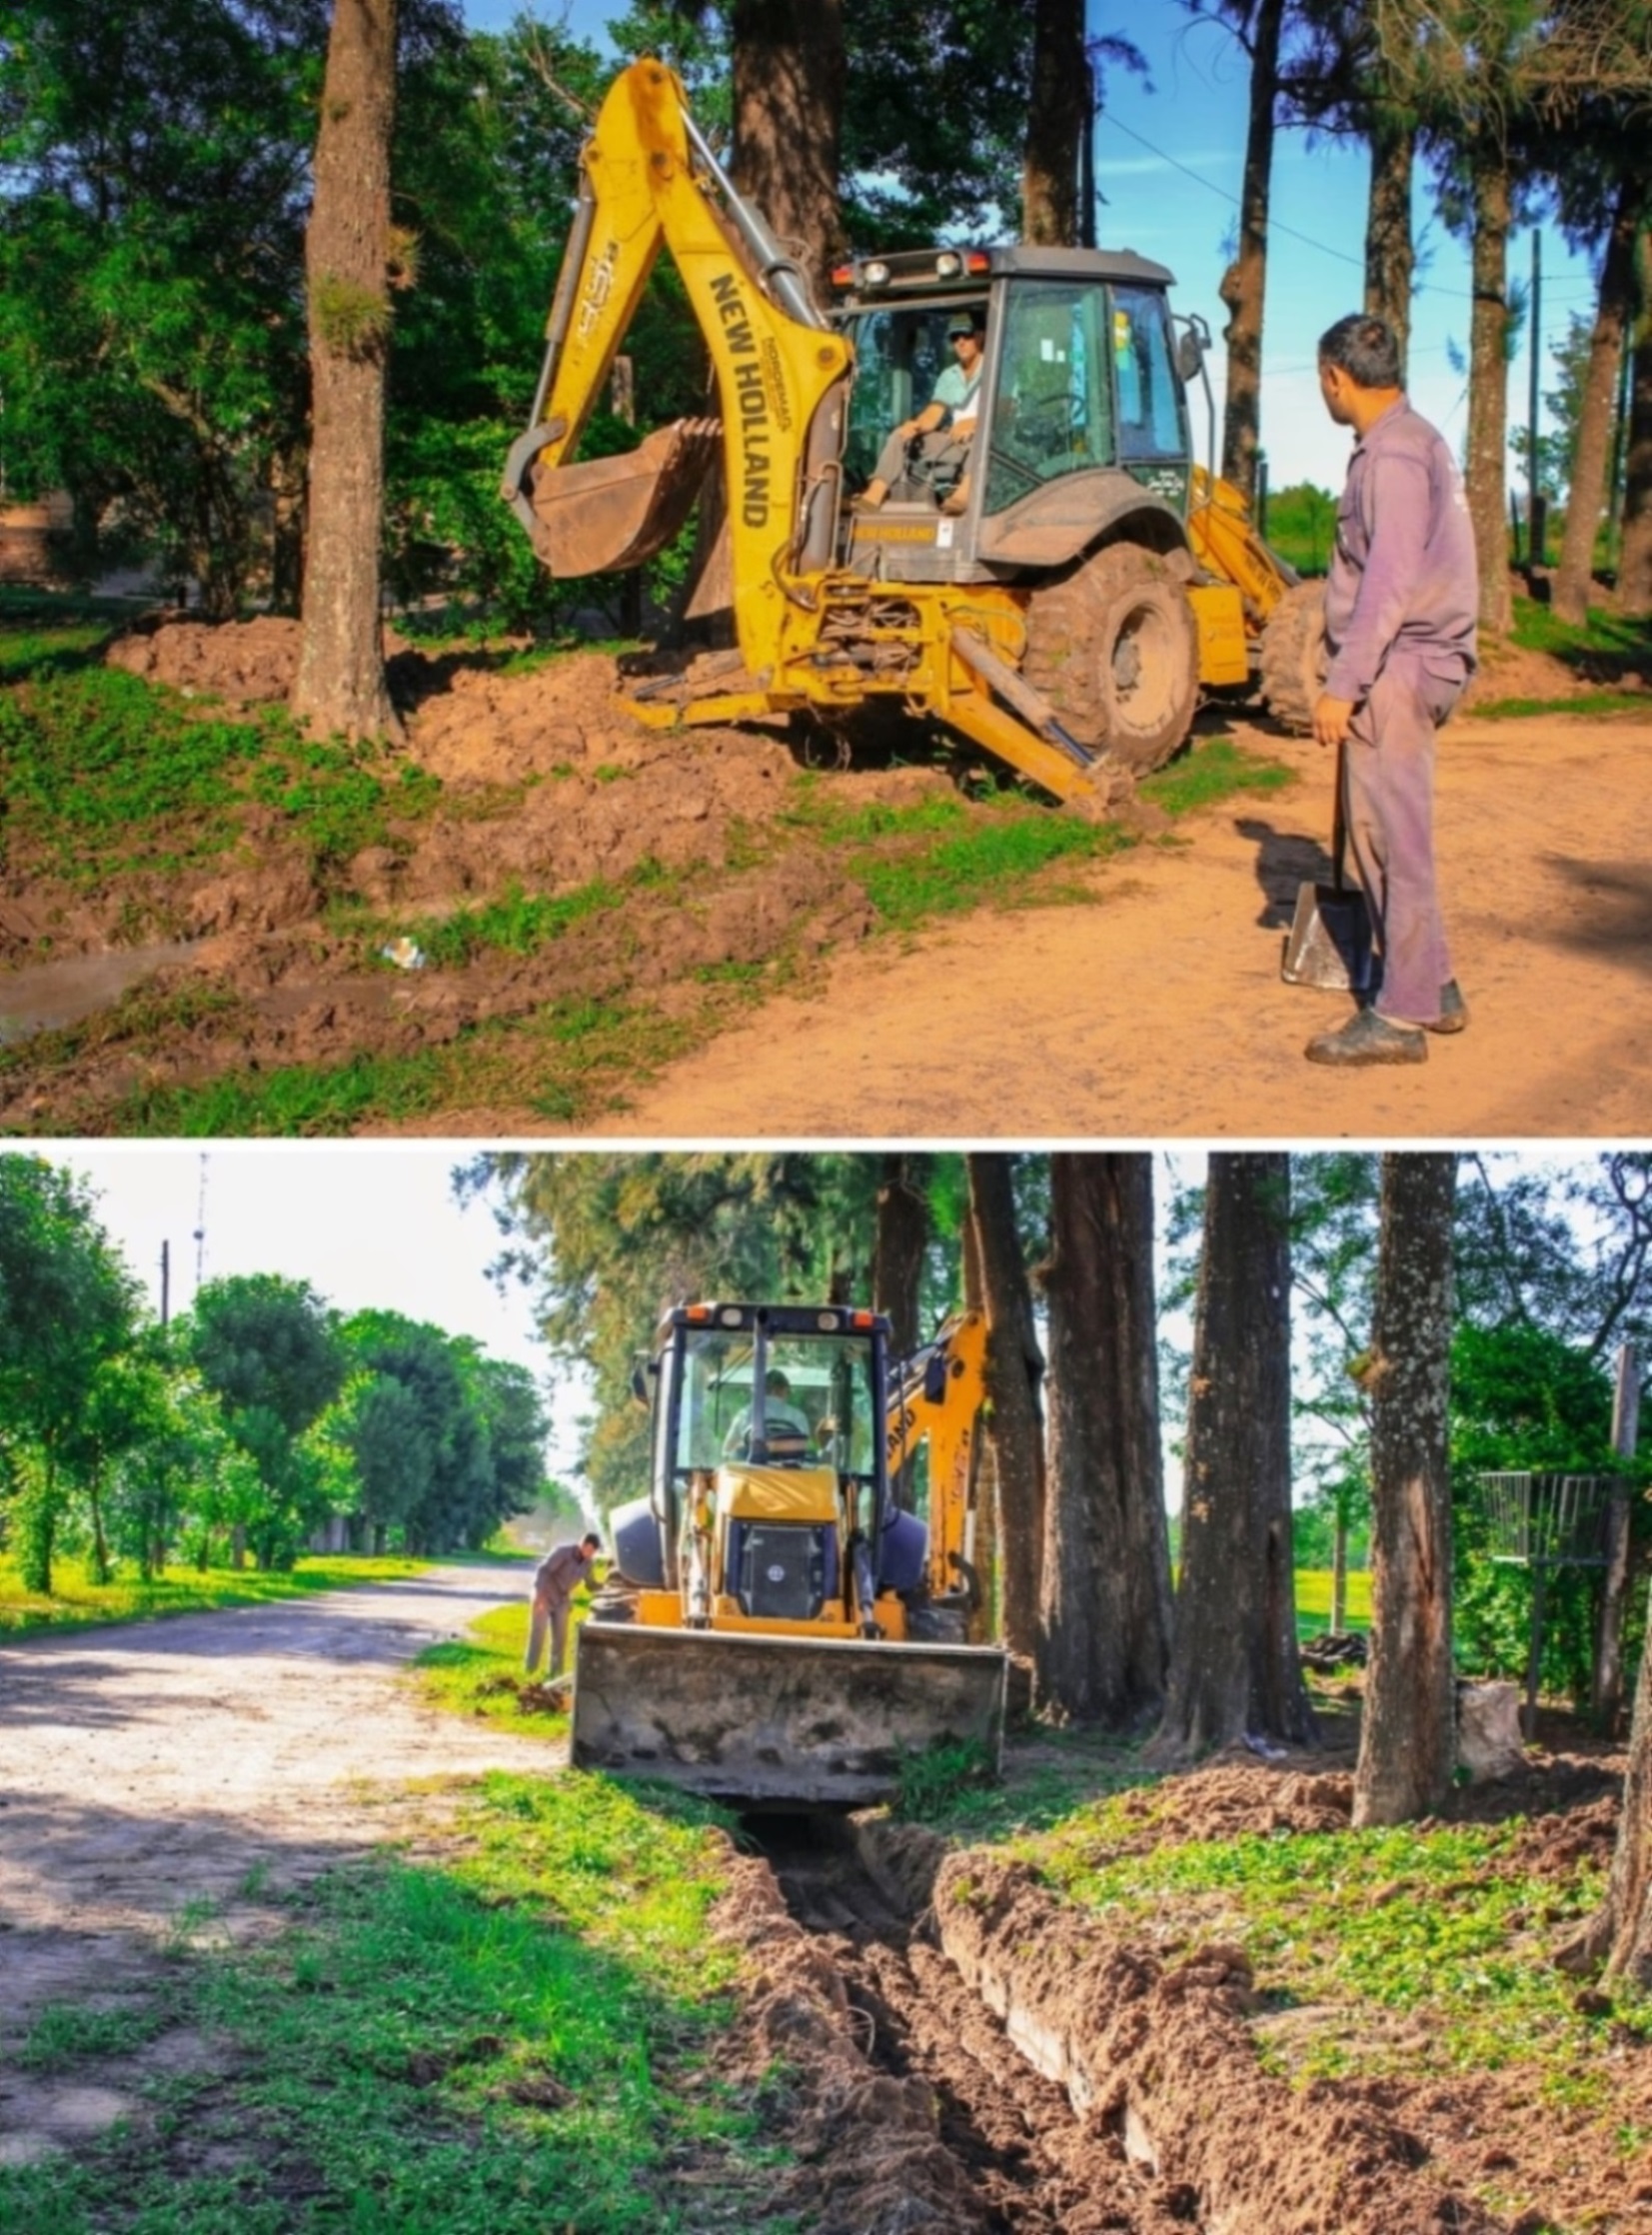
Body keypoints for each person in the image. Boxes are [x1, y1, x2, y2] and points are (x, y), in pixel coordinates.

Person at [1303, 312, 1479, 1068]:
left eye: (1321, 382)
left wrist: (1344, 685)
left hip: (1398, 668)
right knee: (1387, 834)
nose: (1323, 392)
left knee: (1389, 839)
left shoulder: (1394, 458)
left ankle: (1399, 1016)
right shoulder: (1409, 442)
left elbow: (1389, 583)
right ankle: (1430, 985)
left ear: (1336, 379)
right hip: (1407, 663)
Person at [856, 309, 985, 512]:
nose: (960, 342)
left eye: (966, 335)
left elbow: (1006, 408)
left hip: (989, 442)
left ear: (979, 336)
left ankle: (964, 493)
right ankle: (874, 496)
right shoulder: (949, 375)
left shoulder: (994, 366)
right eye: (954, 337)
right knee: (900, 436)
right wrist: (916, 425)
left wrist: (978, 422)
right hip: (954, 441)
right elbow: (934, 413)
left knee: (983, 439)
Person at [524, 1530, 603, 1680]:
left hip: (562, 1599)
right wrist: (539, 1596)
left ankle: (555, 1674)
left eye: (593, 1551)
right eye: (588, 1548)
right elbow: (544, 1571)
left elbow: (590, 1584)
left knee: (560, 1638)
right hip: (545, 1594)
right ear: (582, 1544)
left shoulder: (588, 1563)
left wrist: (606, 1586)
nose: (589, 1553)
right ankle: (530, 1670)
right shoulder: (563, 1552)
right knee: (538, 1634)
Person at [723, 1367, 812, 1457]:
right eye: (787, 1392)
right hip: (787, 1470)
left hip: (750, 1469)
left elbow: (727, 1451)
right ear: (782, 1390)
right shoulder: (798, 1417)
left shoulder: (744, 1414)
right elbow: (802, 1449)